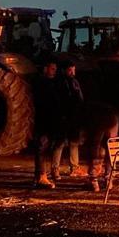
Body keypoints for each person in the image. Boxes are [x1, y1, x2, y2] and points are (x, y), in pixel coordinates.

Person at [32, 60, 66, 188]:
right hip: (44, 120)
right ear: (45, 69)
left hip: (49, 120)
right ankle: (41, 176)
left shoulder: (52, 83)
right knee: (41, 146)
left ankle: (39, 176)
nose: (54, 71)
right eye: (52, 68)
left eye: (55, 69)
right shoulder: (41, 84)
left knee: (43, 147)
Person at [56, 61, 84, 176]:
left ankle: (74, 167)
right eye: (70, 70)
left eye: (74, 70)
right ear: (64, 71)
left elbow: (79, 99)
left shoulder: (74, 82)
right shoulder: (61, 83)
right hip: (64, 116)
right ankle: (55, 169)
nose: (72, 72)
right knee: (60, 143)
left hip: (73, 116)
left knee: (73, 142)